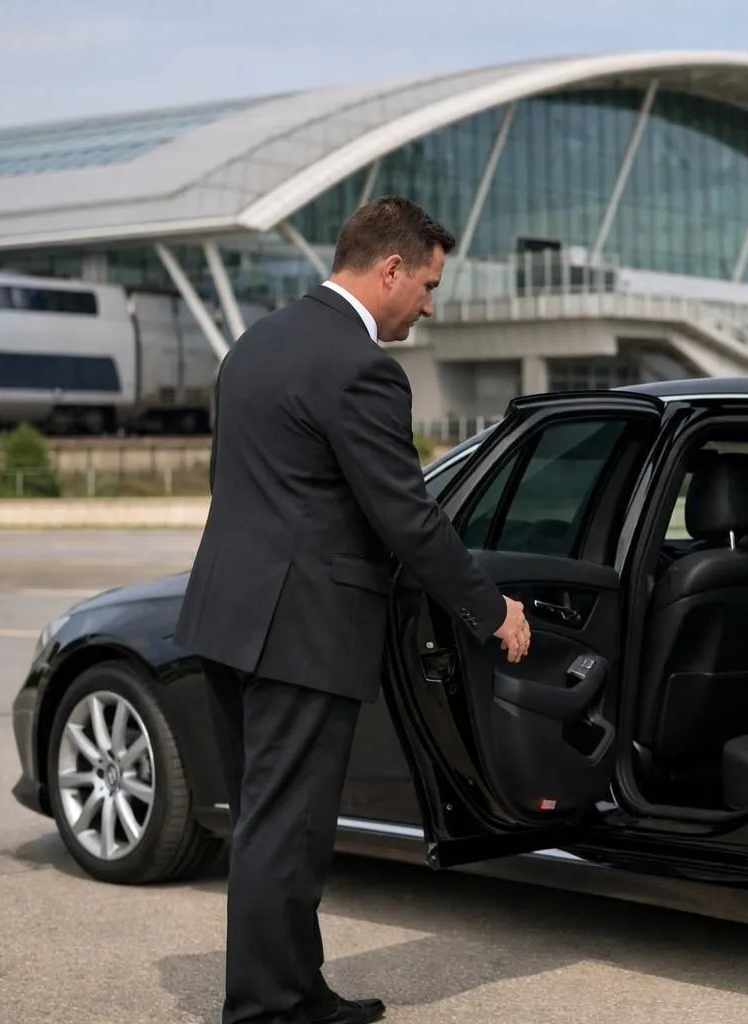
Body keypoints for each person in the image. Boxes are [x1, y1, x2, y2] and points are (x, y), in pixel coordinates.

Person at [174, 195, 530, 1024]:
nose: (429, 307)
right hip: (300, 632)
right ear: (391, 269)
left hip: (227, 617)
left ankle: (297, 992)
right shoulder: (363, 367)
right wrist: (490, 609)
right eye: (429, 286)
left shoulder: (256, 343)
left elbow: (243, 487)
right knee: (286, 832)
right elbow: (408, 516)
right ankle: (267, 1010)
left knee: (270, 825)